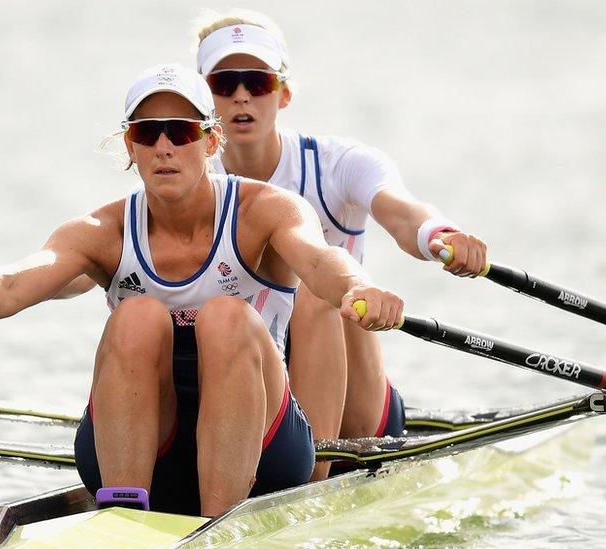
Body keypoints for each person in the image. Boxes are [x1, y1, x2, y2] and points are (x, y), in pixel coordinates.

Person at [0, 63, 404, 517]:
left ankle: (220, 525)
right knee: (137, 316)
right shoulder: (100, 232)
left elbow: (319, 259)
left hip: (261, 451)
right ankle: (123, 515)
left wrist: (358, 285)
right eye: (148, 133)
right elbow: (13, 283)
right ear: (131, 145)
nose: (165, 146)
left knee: (227, 316)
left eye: (181, 130)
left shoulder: (265, 210)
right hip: (146, 445)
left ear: (210, 140)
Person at [193, 10, 489, 479]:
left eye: (258, 80)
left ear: (284, 93)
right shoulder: (184, 183)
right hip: (248, 380)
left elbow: (401, 210)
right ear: (203, 98)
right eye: (224, 83)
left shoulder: (338, 164)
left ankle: (313, 482)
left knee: (318, 289)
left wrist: (439, 235)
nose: (242, 95)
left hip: (356, 406)